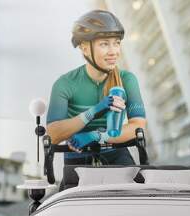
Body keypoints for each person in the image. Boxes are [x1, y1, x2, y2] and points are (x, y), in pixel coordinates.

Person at [46, 10, 146, 166]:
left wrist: (96, 136)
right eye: (105, 44)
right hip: (76, 156)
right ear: (84, 48)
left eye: (116, 43)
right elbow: (53, 134)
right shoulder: (65, 84)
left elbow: (137, 126)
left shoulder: (127, 80)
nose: (113, 51)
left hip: (116, 153)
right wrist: (92, 112)